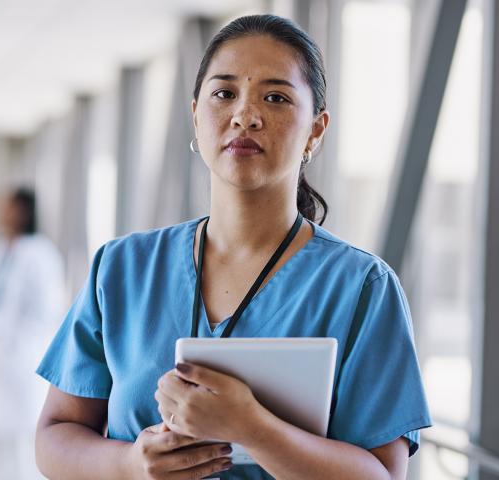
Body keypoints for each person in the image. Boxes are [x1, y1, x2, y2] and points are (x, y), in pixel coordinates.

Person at [34, 14, 432, 480]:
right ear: (196, 114)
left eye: (276, 97)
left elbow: (383, 475)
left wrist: (252, 427)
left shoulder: (361, 287)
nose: (246, 114)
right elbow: (55, 434)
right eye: (224, 93)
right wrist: (127, 465)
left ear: (316, 131)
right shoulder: (121, 269)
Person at [0, 188, 65, 480]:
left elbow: (49, 309)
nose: (4, 213)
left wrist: (16, 339)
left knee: (24, 440)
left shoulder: (41, 254)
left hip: (23, 356)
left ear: (25, 212)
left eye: (10, 207)